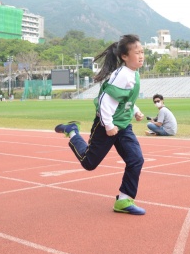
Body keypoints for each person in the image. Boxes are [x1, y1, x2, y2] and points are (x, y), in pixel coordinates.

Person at [54, 34, 146, 215]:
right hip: (106, 125)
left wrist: (136, 110)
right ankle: (72, 132)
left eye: (142, 52)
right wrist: (109, 126)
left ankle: (124, 200)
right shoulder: (122, 76)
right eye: (137, 53)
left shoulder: (133, 73)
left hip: (123, 125)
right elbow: (105, 101)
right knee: (89, 163)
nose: (141, 56)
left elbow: (125, 100)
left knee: (136, 159)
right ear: (124, 56)